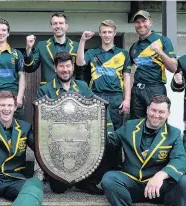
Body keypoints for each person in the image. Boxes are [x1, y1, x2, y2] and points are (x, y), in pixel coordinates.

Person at [101, 94, 186, 206]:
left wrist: (161, 175)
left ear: (168, 114)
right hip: (132, 184)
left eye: (161, 112)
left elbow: (180, 159)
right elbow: (109, 143)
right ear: (147, 109)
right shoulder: (130, 126)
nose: (156, 115)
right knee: (109, 179)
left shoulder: (173, 133)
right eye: (153, 110)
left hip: (158, 188)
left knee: (183, 181)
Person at [37, 51, 116, 195]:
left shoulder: (83, 86)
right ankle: (52, 174)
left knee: (112, 143)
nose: (65, 70)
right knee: (58, 189)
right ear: (55, 69)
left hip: (83, 137)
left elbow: (99, 106)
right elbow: (41, 122)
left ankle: (87, 182)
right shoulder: (44, 90)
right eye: (61, 66)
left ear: (72, 67)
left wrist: (108, 128)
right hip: (58, 142)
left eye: (68, 66)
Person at [76, 19, 132, 129]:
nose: (107, 35)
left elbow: (127, 78)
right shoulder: (92, 52)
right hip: (96, 96)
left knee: (116, 132)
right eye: (104, 32)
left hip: (116, 97)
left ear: (114, 33)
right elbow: (79, 62)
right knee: (95, 130)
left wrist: (127, 100)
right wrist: (83, 40)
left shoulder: (123, 53)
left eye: (109, 32)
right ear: (100, 34)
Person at [128, 10, 177, 120]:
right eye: (137, 22)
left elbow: (174, 68)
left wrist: (159, 52)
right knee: (136, 126)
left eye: (144, 21)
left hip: (155, 89)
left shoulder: (163, 41)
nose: (141, 25)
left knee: (156, 124)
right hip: (137, 91)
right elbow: (125, 71)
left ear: (150, 22)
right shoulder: (134, 46)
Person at [24, 12, 84, 85]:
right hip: (48, 91)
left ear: (66, 26)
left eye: (61, 23)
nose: (58, 26)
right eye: (55, 23)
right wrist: (28, 49)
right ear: (51, 26)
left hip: (70, 92)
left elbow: (81, 72)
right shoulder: (42, 46)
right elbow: (30, 69)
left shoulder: (76, 46)